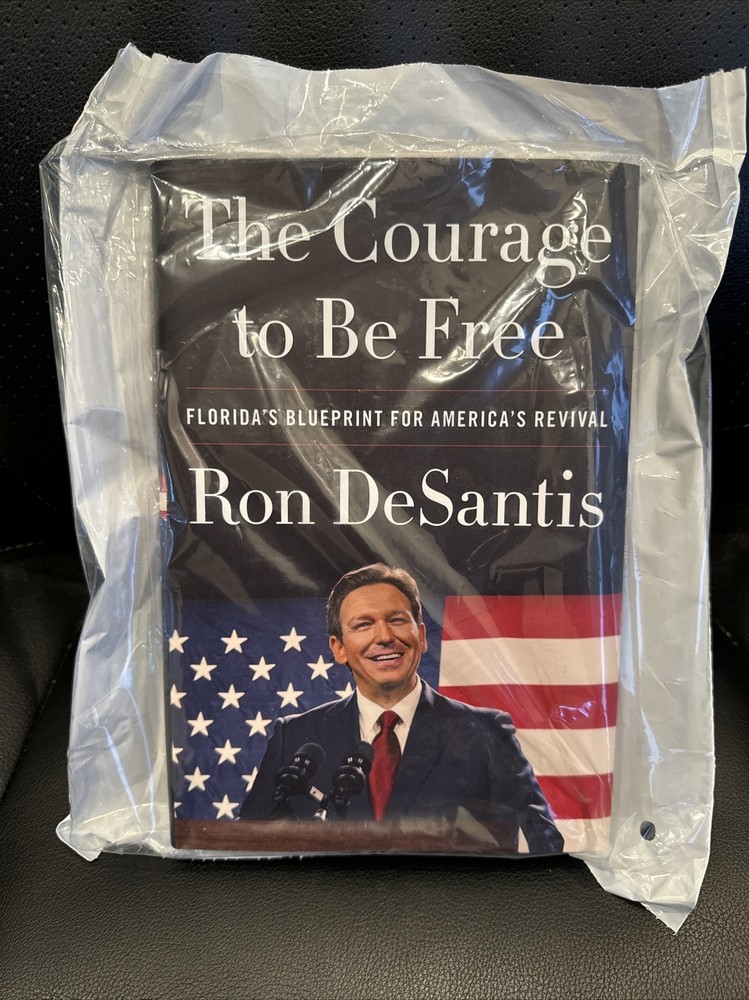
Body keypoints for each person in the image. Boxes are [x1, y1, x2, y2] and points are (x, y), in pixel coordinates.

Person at [239, 563, 565, 854]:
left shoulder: (485, 732)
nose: (384, 636)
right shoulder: (295, 736)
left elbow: (542, 843)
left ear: (421, 636)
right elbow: (250, 847)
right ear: (338, 648)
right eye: (363, 625)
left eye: (397, 620)